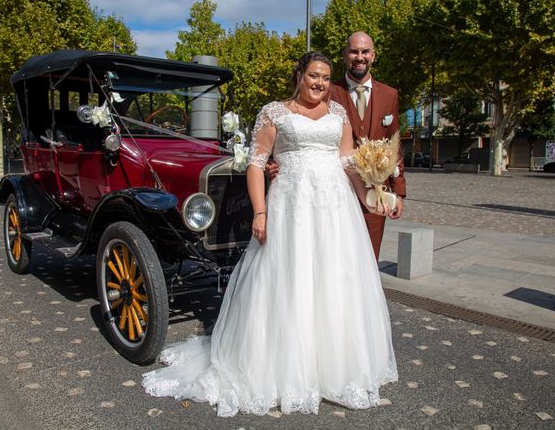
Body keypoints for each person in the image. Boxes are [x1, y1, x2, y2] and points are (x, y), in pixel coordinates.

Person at [142, 52, 398, 417]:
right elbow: (257, 163)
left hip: (335, 209)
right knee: (289, 282)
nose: (320, 83)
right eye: (313, 75)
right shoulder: (274, 112)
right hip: (291, 207)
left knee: (334, 280)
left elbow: (346, 162)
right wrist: (259, 212)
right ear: (299, 75)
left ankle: (333, 367)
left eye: (325, 77)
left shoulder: (338, 115)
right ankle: (286, 368)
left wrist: (372, 195)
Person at [330, 31, 406, 261]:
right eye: (354, 51)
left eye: (364, 52)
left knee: (369, 260)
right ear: (345, 56)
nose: (359, 57)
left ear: (373, 56)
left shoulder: (389, 94)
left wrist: (398, 191)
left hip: (377, 193)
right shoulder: (330, 92)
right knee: (338, 258)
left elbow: (395, 145)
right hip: (338, 189)